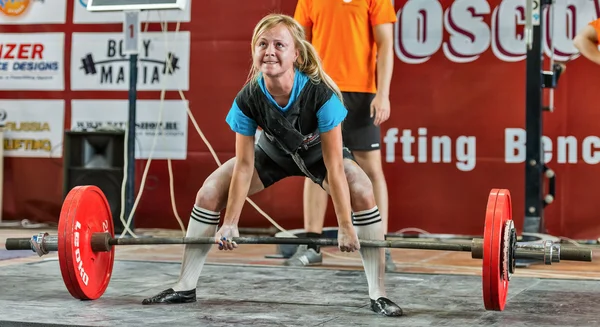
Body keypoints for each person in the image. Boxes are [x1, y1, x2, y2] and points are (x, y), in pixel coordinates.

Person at [141, 13, 403, 317]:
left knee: (361, 188)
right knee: (209, 192)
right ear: (254, 51)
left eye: (280, 44)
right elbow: (243, 166)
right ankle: (184, 286)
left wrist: (345, 227)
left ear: (296, 53)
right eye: (262, 44)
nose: (270, 51)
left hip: (318, 158)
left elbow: (333, 165)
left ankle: (378, 294)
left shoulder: (322, 95)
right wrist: (230, 222)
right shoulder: (248, 98)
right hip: (273, 155)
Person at [285, 0, 397, 272]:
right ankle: (312, 244)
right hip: (320, 89)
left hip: (361, 92)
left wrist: (382, 94)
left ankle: (378, 244)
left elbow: (385, 44)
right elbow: (300, 47)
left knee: (370, 170)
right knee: (316, 167)